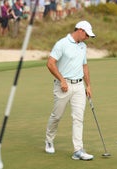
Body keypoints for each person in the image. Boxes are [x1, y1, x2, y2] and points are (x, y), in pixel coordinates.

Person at [44, 20, 95, 161]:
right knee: (57, 116)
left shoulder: (83, 47)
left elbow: (84, 66)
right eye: (87, 35)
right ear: (80, 30)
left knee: (78, 118)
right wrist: (61, 79)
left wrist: (88, 85)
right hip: (63, 86)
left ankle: (78, 150)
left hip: (79, 86)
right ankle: (49, 140)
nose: (87, 38)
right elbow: (50, 63)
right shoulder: (62, 44)